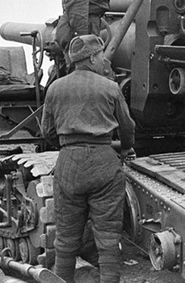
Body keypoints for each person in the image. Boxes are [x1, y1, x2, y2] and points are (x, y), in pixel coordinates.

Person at [41, 34, 136, 283]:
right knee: (108, 239)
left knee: (66, 240)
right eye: (101, 55)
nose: (103, 59)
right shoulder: (110, 87)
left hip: (68, 165)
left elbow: (47, 131)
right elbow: (127, 127)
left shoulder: (55, 88)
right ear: (92, 57)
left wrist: (68, 146)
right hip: (104, 163)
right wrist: (125, 148)